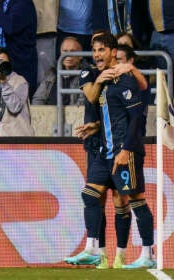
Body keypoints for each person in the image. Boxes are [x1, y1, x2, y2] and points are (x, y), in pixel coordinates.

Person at [65, 33, 155, 269]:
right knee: (90, 195)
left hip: (126, 151)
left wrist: (125, 150)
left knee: (135, 200)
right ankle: (93, 249)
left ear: (114, 52)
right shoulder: (102, 80)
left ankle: (147, 253)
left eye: (102, 50)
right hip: (105, 151)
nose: (97, 55)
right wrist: (95, 126)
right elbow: (111, 115)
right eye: (94, 50)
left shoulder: (123, 79)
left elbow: (136, 117)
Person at [32, 36, 88, 105]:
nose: (68, 55)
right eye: (65, 51)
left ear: (80, 55)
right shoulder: (52, 73)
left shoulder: (86, 74)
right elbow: (38, 99)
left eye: (72, 51)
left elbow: (82, 104)